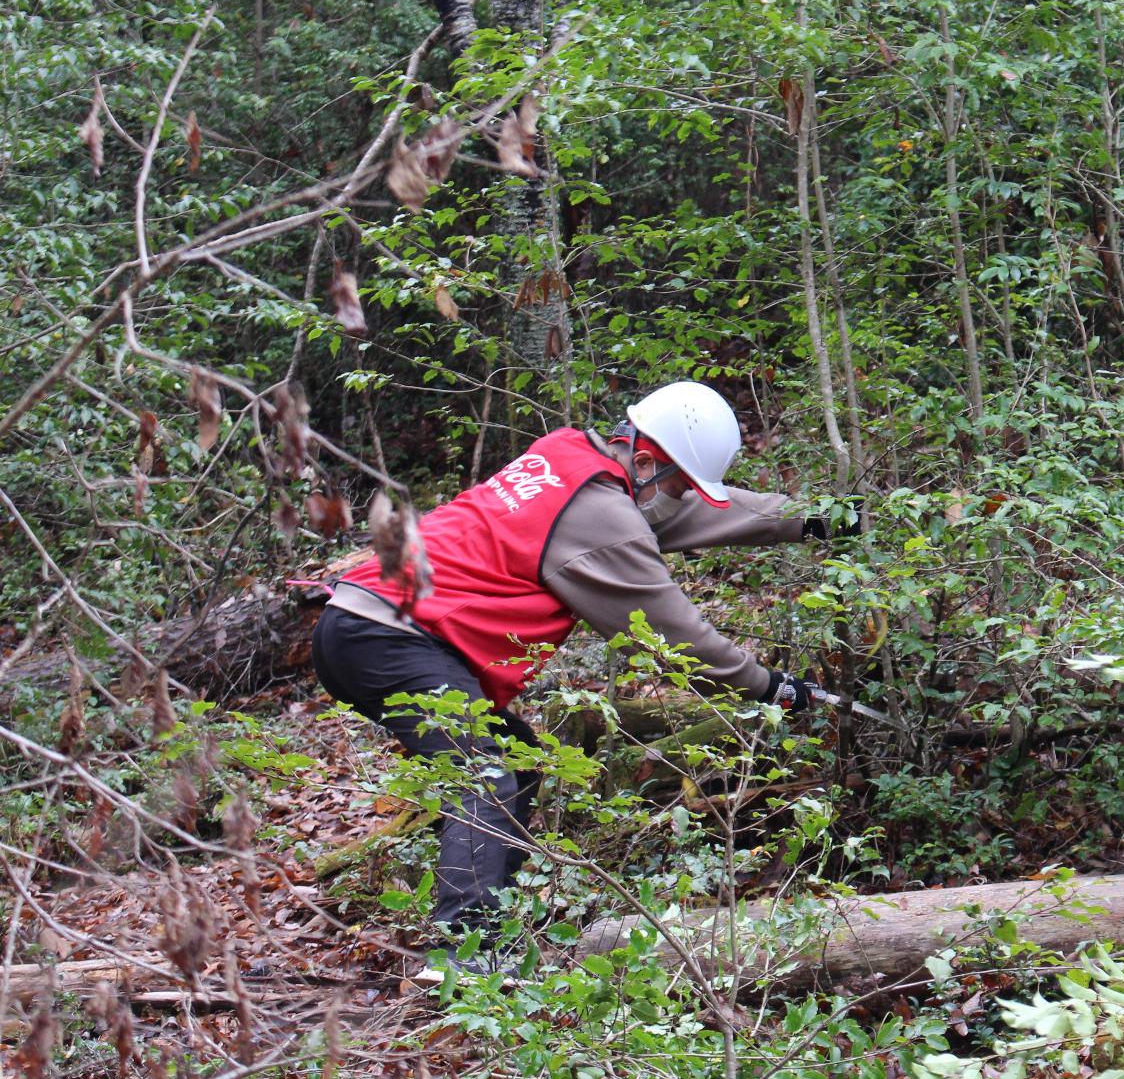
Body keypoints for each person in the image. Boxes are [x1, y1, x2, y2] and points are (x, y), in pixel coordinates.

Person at [310, 380, 838, 943]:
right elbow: (674, 634)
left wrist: (822, 517)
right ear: (642, 461)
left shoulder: (569, 456)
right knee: (487, 773)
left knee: (519, 761)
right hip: (387, 636)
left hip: (364, 625)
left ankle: (482, 919)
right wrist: (766, 687)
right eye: (680, 485)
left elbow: (693, 515)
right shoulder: (602, 516)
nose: (682, 498)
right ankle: (465, 950)